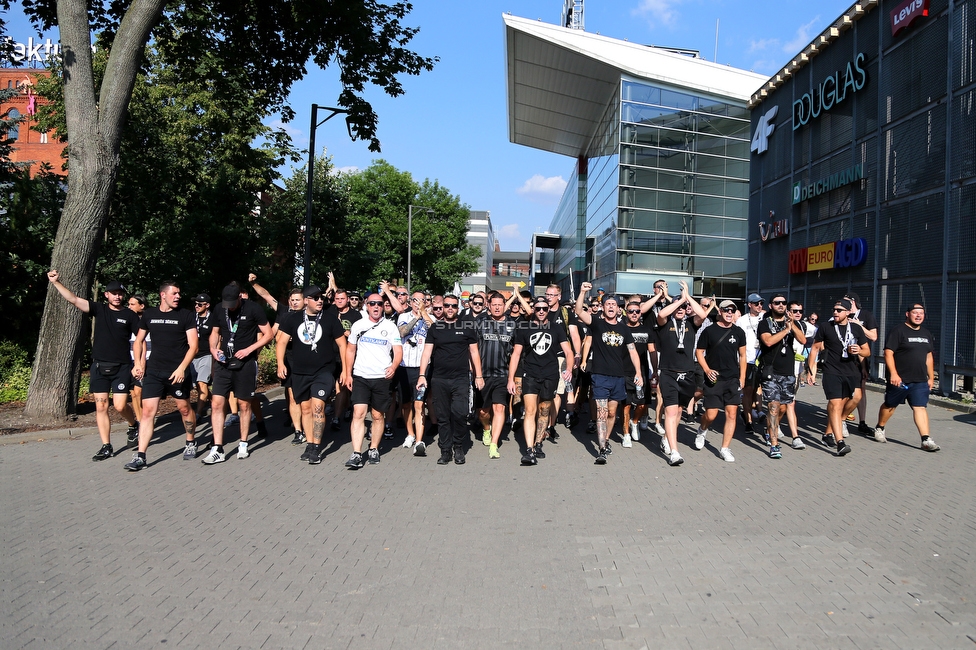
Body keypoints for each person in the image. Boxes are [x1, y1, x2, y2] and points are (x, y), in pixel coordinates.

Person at [47, 270, 140, 461]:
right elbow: (73, 299)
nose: (117, 296)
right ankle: (106, 446)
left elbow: (141, 338)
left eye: (120, 293)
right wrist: (56, 283)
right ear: (106, 295)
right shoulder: (99, 309)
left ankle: (133, 426)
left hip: (121, 367)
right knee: (101, 406)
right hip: (99, 367)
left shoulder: (130, 315)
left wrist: (139, 363)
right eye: (113, 293)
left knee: (120, 406)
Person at [126, 280, 198, 471]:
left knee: (184, 409)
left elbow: (194, 346)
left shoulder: (186, 315)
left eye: (179, 293)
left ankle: (190, 441)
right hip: (154, 371)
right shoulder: (149, 314)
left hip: (177, 373)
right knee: (148, 412)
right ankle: (141, 455)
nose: (178, 296)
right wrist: (139, 363)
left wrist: (182, 368)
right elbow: (138, 340)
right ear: (163, 295)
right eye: (174, 293)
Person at [201, 284, 274, 464]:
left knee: (243, 404)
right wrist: (212, 349)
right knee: (217, 403)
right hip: (223, 362)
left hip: (245, 363)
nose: (230, 307)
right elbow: (215, 332)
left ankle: (243, 443)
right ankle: (217, 448)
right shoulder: (220, 308)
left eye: (233, 303)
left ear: (240, 297)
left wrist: (249, 349)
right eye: (228, 304)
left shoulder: (253, 309)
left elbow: (268, 334)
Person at [276, 285, 348, 464]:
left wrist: (346, 370)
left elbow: (343, 345)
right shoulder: (292, 319)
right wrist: (280, 364)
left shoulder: (330, 319)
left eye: (321, 298)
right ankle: (309, 443)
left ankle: (316, 446)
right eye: (315, 298)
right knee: (305, 409)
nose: (320, 300)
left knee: (318, 407)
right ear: (306, 300)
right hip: (300, 372)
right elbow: (281, 341)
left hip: (323, 371)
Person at [574, 282, 645, 465]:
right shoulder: (597, 324)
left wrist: (638, 372)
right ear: (603, 308)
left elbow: (632, 351)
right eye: (608, 304)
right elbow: (579, 312)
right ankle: (602, 448)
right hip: (600, 376)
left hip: (618, 377)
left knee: (612, 413)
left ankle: (605, 439)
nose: (611, 307)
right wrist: (582, 292)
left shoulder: (624, 329)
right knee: (601, 412)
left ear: (618, 309)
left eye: (614, 304)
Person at [417, 294, 484, 465]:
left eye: (454, 306)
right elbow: (426, 353)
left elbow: (475, 353)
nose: (450, 309)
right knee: (443, 416)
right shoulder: (435, 328)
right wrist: (422, 375)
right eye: (447, 305)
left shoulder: (467, 328)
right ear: (442, 307)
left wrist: (478, 375)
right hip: (439, 379)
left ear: (458, 308)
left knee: (460, 414)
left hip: (461, 378)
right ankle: (445, 450)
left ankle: (459, 446)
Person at [508, 296, 572, 465]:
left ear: (548, 310)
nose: (542, 311)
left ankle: (538, 443)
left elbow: (568, 351)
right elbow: (515, 354)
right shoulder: (524, 327)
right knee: (530, 410)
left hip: (550, 374)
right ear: (533, 310)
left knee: (544, 411)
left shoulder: (556, 328)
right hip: (530, 373)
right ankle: (529, 450)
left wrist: (569, 369)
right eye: (538, 308)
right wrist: (511, 379)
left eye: (545, 308)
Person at [342, 294, 403, 469]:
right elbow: (350, 350)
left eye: (379, 304)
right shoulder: (358, 325)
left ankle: (374, 448)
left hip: (381, 377)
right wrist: (348, 373)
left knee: (377, 415)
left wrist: (393, 366)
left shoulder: (390, 327)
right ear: (366, 306)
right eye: (372, 304)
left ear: (383, 306)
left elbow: (398, 351)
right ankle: (356, 453)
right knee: (359, 413)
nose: (376, 307)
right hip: (361, 376)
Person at [654, 281, 708, 466]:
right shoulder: (664, 323)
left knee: (678, 411)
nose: (681, 308)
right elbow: (661, 313)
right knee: (670, 411)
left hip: (687, 374)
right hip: (668, 373)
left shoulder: (692, 324)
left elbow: (702, 314)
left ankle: (667, 439)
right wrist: (678, 300)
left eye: (684, 307)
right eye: (678, 306)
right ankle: (674, 452)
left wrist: (688, 298)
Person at [806, 298, 869, 456]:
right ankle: (840, 442)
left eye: (839, 310)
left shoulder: (856, 329)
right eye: (834, 310)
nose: (835, 312)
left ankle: (829, 431)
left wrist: (859, 352)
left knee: (854, 399)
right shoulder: (826, 327)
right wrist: (810, 370)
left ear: (848, 312)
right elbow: (814, 348)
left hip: (851, 371)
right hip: (831, 371)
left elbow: (867, 351)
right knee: (835, 404)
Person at [873, 303, 940, 451]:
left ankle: (926, 439)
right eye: (915, 313)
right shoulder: (898, 331)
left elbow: (929, 356)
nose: (918, 316)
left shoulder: (926, 333)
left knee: (920, 407)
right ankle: (880, 427)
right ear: (907, 314)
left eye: (921, 313)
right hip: (900, 379)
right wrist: (894, 374)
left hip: (920, 379)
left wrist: (931, 377)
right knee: (890, 405)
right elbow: (888, 353)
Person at [695, 299, 747, 462]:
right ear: (720, 312)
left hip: (732, 378)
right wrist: (707, 370)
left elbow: (743, 356)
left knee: (732, 414)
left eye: (732, 310)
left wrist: (742, 377)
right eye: (726, 310)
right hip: (714, 378)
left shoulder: (739, 332)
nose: (729, 313)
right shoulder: (709, 331)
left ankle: (725, 448)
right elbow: (699, 352)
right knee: (711, 415)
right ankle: (702, 429)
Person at [756, 293, 806, 459]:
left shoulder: (792, 323)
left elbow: (803, 340)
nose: (781, 305)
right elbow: (768, 341)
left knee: (783, 407)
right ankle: (774, 444)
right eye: (777, 303)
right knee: (773, 406)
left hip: (788, 372)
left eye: (784, 303)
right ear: (771, 305)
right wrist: (785, 330)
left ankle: (769, 428)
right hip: (771, 372)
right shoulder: (764, 323)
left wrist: (792, 324)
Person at [477, 292, 518, 459]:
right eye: (493, 304)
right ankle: (486, 429)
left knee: (499, 408)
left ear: (504, 306)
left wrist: (511, 378)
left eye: (500, 304)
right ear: (489, 305)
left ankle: (494, 444)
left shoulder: (512, 325)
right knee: (483, 412)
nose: (496, 307)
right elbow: (472, 349)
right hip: (483, 374)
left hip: (502, 374)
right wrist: (476, 373)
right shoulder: (480, 323)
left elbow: (516, 352)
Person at [396, 290, 433, 454]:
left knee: (419, 404)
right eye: (415, 300)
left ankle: (419, 440)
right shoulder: (403, 316)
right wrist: (417, 317)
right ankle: (410, 433)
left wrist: (424, 313)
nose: (418, 303)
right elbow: (402, 332)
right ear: (410, 302)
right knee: (406, 404)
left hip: (422, 368)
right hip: (404, 366)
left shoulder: (430, 318)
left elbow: (434, 329)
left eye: (422, 300)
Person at [621, 299, 654, 448]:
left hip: (642, 373)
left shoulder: (647, 330)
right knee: (626, 405)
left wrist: (655, 371)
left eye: (637, 311)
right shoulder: (621, 329)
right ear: (626, 313)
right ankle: (626, 433)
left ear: (641, 313)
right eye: (631, 311)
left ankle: (635, 423)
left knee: (642, 405)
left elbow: (652, 352)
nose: (634, 314)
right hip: (624, 372)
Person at [845, 291, 879, 435]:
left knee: (861, 389)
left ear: (853, 302)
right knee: (845, 388)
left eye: (846, 301)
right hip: (844, 358)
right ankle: (841, 418)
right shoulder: (842, 313)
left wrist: (859, 326)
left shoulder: (866, 315)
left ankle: (862, 422)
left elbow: (874, 336)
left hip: (861, 357)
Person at [736, 293, 765, 434]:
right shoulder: (741, 321)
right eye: (756, 303)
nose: (759, 306)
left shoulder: (765, 318)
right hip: (747, 360)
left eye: (761, 303)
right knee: (747, 391)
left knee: (757, 390)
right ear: (749, 305)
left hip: (763, 360)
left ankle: (752, 412)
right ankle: (748, 421)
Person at [190, 293, 215, 420]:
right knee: (197, 386)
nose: (196, 306)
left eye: (200, 304)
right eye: (195, 304)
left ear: (207, 305)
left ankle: (198, 414)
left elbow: (217, 338)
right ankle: (216, 401)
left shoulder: (212, 319)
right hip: (192, 356)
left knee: (202, 383)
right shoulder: (191, 317)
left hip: (206, 355)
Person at [127, 293, 149, 430]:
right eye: (128, 304)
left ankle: (145, 420)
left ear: (142, 306)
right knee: (134, 393)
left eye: (132, 304)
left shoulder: (147, 320)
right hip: (130, 359)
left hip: (146, 360)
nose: (129, 307)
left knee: (140, 392)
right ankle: (140, 422)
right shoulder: (127, 321)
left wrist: (141, 364)